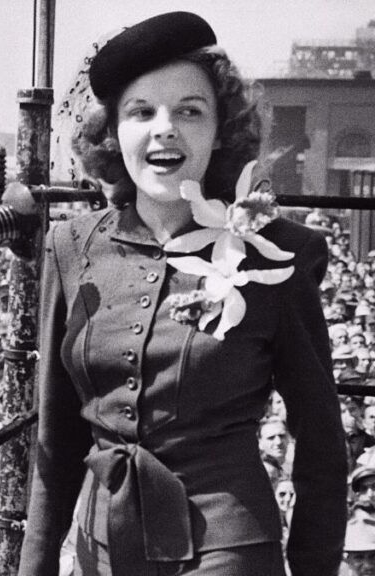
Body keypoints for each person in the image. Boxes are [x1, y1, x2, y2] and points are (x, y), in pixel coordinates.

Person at [18, 11, 346, 576]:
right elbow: (57, 435)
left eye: (189, 111)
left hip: (227, 548)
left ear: (221, 130)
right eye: (141, 112)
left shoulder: (280, 254)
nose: (163, 128)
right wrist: (36, 566)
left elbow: (320, 444)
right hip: (99, 547)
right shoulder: (68, 246)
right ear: (113, 133)